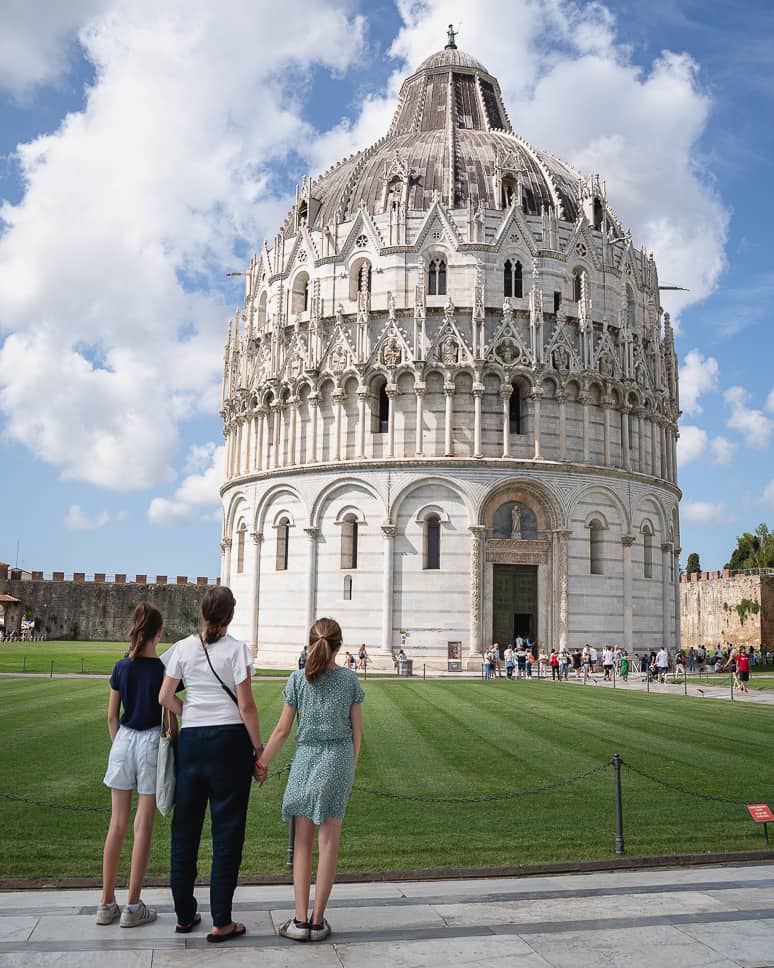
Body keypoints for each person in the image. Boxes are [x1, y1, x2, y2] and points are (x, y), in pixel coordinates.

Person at [159, 586, 263, 943]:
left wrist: (190, 712)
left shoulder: (184, 649)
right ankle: (222, 919)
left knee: (185, 832)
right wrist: (258, 748)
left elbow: (164, 696)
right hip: (230, 742)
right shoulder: (238, 651)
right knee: (227, 831)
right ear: (230, 616)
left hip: (192, 742)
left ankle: (185, 915)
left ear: (200, 612)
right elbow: (246, 706)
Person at [258, 618, 364, 942]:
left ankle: (300, 920)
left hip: (306, 760)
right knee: (329, 843)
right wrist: (350, 771)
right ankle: (318, 922)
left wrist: (261, 763)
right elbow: (357, 733)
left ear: (309, 644)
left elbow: (281, 731)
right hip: (339, 761)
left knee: (302, 844)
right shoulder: (349, 680)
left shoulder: (297, 680)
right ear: (339, 647)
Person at [97, 603, 165, 927]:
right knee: (143, 827)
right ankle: (133, 906)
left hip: (123, 739)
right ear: (159, 633)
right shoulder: (163, 669)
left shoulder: (121, 666)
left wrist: (119, 745)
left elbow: (111, 716)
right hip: (151, 741)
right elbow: (169, 716)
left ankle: (105, 903)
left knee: (117, 824)